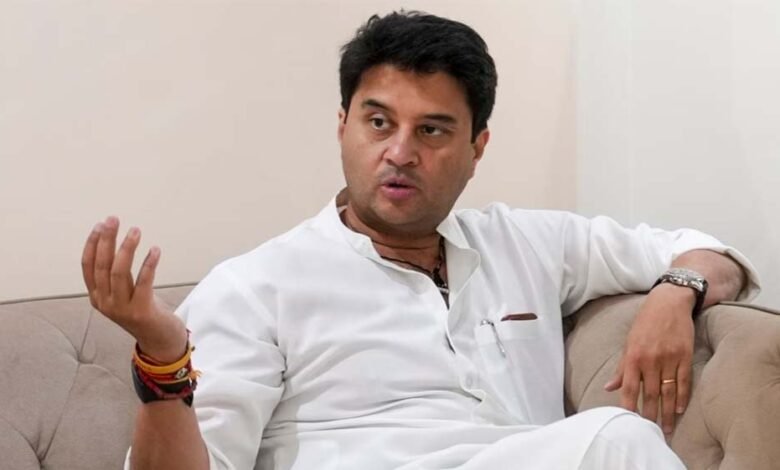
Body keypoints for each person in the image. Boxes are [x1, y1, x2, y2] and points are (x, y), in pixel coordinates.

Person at [81, 11, 758, 470]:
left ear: (477, 148)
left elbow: (709, 252)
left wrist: (676, 292)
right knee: (618, 440)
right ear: (343, 126)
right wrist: (163, 360)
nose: (400, 152)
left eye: (431, 130)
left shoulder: (526, 242)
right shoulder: (256, 286)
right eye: (379, 122)